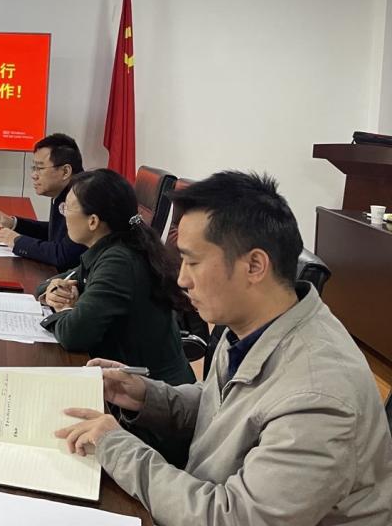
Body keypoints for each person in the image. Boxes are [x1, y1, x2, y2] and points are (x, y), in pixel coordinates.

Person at [56, 171, 392, 526]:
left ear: (254, 266)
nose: (182, 279)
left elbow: (232, 518)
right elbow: (222, 407)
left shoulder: (318, 396)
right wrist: (144, 395)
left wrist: (115, 446)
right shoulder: (254, 324)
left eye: (193, 262)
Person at [46, 167, 194, 386]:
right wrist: (55, 290)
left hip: (154, 392)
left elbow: (73, 335)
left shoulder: (119, 261)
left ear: (93, 221)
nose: (64, 214)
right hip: (129, 380)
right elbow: (46, 285)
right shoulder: (112, 247)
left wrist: (64, 309)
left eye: (67, 208)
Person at [0, 134, 86, 292]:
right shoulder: (66, 191)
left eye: (40, 168)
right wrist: (13, 223)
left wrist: (17, 241)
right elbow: (55, 232)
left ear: (65, 171)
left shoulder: (81, 198)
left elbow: (64, 255)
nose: (34, 175)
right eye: (33, 168)